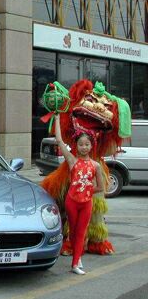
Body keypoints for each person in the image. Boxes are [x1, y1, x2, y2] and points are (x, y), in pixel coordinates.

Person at [54, 113, 104, 275]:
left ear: (91, 146)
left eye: (87, 144)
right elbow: (60, 141)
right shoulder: (72, 161)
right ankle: (78, 256)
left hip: (86, 203)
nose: (84, 147)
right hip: (72, 202)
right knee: (74, 232)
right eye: (81, 144)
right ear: (77, 146)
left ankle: (75, 263)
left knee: (81, 232)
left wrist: (88, 188)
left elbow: (100, 187)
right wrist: (56, 119)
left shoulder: (95, 165)